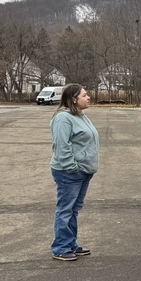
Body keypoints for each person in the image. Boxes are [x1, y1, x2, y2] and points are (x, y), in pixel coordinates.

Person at [49, 84, 100, 261]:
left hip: (84, 171)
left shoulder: (80, 115)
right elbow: (61, 147)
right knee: (65, 210)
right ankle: (61, 248)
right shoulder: (63, 118)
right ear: (73, 99)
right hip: (69, 172)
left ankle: (70, 244)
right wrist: (72, 167)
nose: (88, 97)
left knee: (73, 210)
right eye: (84, 95)